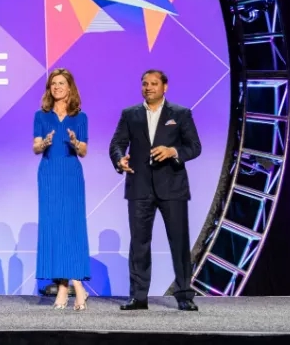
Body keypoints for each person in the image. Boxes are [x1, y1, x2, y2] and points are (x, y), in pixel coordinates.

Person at [108, 69, 201, 312]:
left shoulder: (180, 114)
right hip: (139, 188)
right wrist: (120, 160)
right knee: (139, 243)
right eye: (144, 84)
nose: (148, 87)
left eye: (153, 84)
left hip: (172, 187)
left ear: (164, 87)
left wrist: (173, 152)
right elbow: (116, 144)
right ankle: (138, 297)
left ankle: (184, 295)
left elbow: (195, 147)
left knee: (179, 243)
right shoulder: (130, 114)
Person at [32, 68, 90, 310]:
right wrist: (44, 142)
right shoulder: (41, 115)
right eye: (53, 83)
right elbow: (36, 147)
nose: (57, 87)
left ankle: (72, 286)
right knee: (54, 228)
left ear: (70, 88)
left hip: (70, 175)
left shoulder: (80, 117)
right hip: (49, 174)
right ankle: (67, 287)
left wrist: (76, 143)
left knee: (72, 229)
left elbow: (84, 151)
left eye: (61, 83)